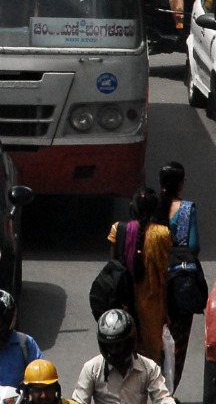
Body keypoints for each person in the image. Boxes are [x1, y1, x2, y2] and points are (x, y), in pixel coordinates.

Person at [106, 187, 172, 367]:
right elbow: (164, 274)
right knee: (153, 360)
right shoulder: (163, 234)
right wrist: (166, 310)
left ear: (132, 207)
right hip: (153, 307)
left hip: (124, 304)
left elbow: (112, 268)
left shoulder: (117, 229)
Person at [73, 308, 175, 404]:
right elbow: (78, 401)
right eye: (109, 346)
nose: (113, 351)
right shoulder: (91, 369)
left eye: (118, 345)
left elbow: (162, 398)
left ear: (129, 343)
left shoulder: (149, 368)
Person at [160, 162, 199, 391]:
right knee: (177, 345)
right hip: (180, 287)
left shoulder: (154, 207)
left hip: (156, 287)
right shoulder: (187, 209)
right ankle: (169, 390)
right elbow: (194, 246)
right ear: (181, 184)